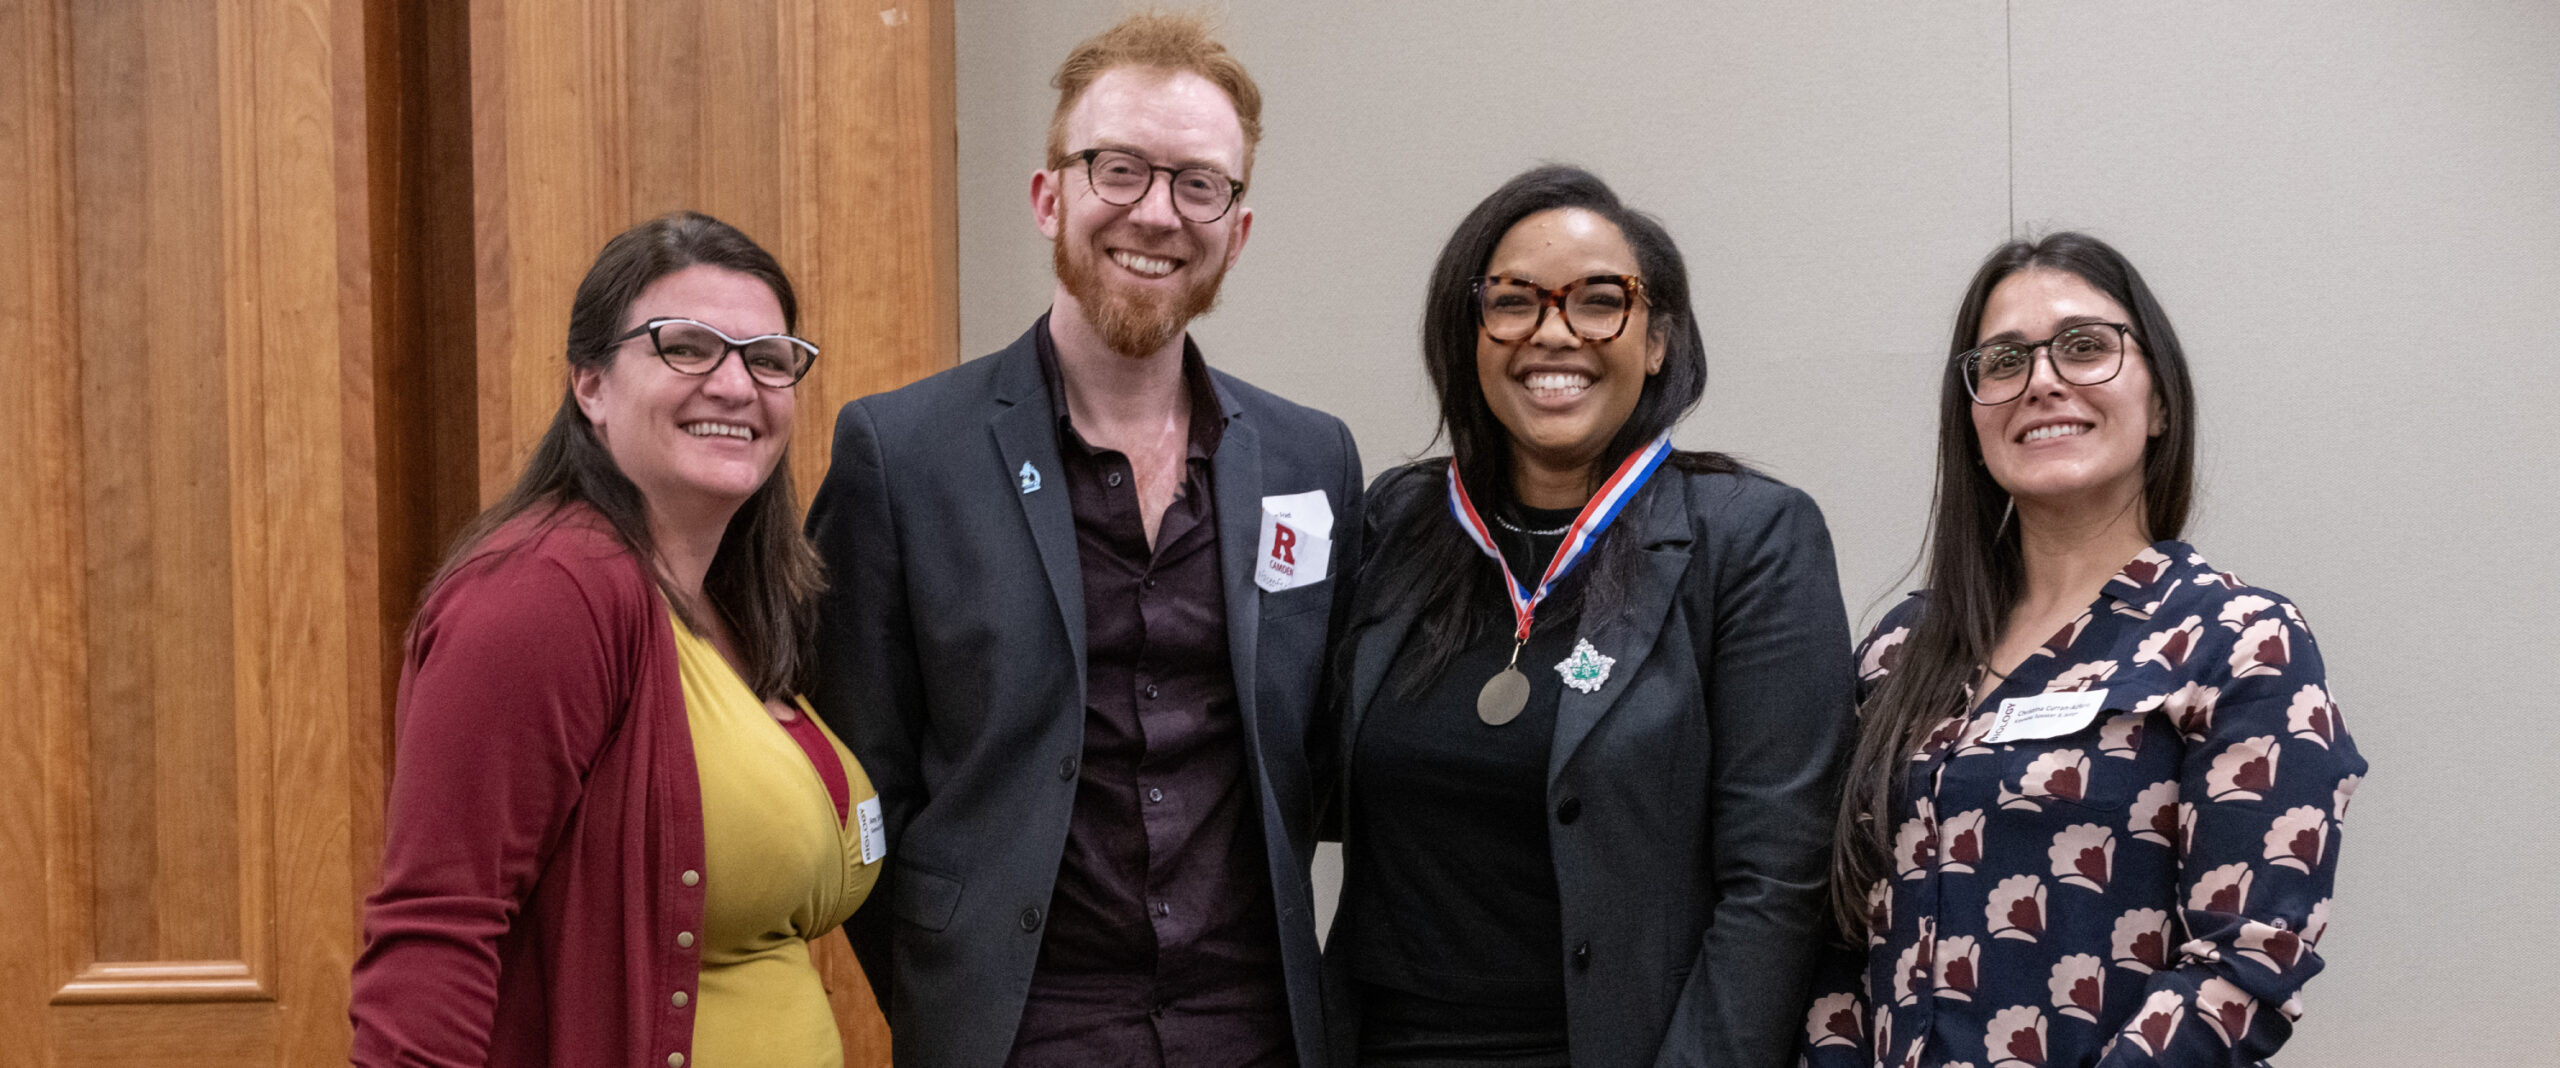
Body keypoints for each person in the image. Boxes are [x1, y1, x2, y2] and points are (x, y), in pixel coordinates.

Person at [805, 13, 1362, 1068]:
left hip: (1252, 1031)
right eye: (1118, 170)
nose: (1156, 213)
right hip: (1017, 1032)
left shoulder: (1309, 460)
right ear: (1047, 195)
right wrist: (945, 982)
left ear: (1235, 230)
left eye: (1197, 183)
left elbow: (1326, 753)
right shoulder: (903, 454)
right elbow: (856, 778)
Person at [1321, 165, 1856, 1068]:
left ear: (1657, 341)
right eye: (1515, 301)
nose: (1553, 332)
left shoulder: (1751, 539)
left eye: (1599, 300)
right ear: (1474, 333)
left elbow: (1777, 883)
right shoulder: (1399, 522)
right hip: (1382, 1045)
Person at [1803, 232, 2367, 1067]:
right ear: (1972, 416)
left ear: (2161, 402)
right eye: (2002, 361)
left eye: (2085, 347)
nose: (2041, 382)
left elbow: (2244, 965)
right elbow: (1843, 947)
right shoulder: (1901, 650)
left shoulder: (2240, 641)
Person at [350, 212, 879, 1068]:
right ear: (589, 385)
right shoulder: (543, 593)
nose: (736, 386)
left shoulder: (740, 606)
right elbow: (435, 934)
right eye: (688, 346)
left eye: (769, 358)